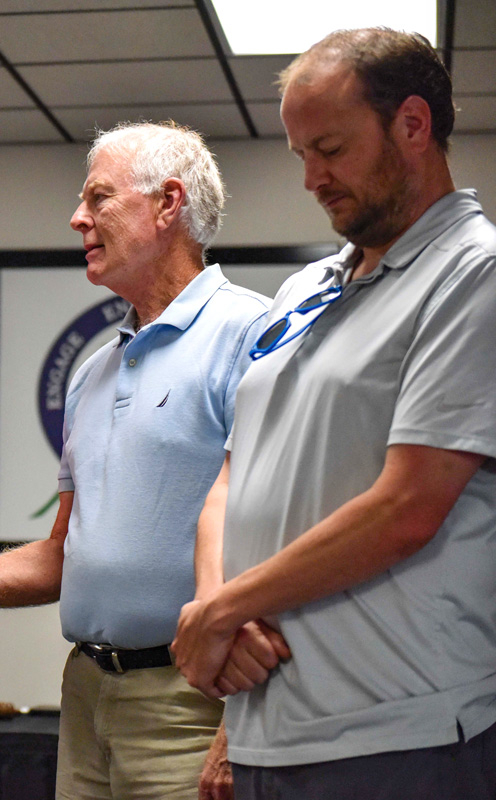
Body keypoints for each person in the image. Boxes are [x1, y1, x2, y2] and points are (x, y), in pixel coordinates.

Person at [0, 122, 284, 800]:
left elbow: (288, 534)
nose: (78, 217)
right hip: (86, 695)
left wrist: (242, 726)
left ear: (167, 205)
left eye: (98, 198)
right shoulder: (92, 373)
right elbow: (60, 553)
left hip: (195, 701)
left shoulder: (255, 333)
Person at [173, 28, 496, 799]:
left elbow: (408, 506)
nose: (313, 178)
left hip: (395, 735)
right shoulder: (305, 288)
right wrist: (222, 620)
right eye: (300, 156)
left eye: (331, 149)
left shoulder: (472, 275)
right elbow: (234, 475)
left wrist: (223, 611)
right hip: (268, 722)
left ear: (413, 125)